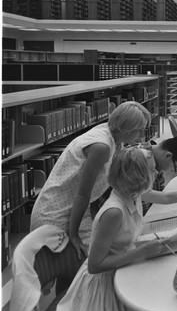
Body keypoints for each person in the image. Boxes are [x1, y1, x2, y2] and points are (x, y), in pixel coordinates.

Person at [54, 147, 173, 311]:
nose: (155, 173)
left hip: (122, 270)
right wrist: (142, 252)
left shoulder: (133, 195)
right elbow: (95, 265)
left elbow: (166, 198)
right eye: (151, 169)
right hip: (105, 286)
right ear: (138, 176)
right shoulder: (114, 212)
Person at [31, 101, 152, 259]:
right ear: (126, 127)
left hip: (75, 212)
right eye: (139, 130)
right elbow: (82, 194)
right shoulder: (101, 147)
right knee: (74, 264)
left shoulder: (114, 138)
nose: (141, 136)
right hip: (55, 214)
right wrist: (73, 235)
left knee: (82, 263)